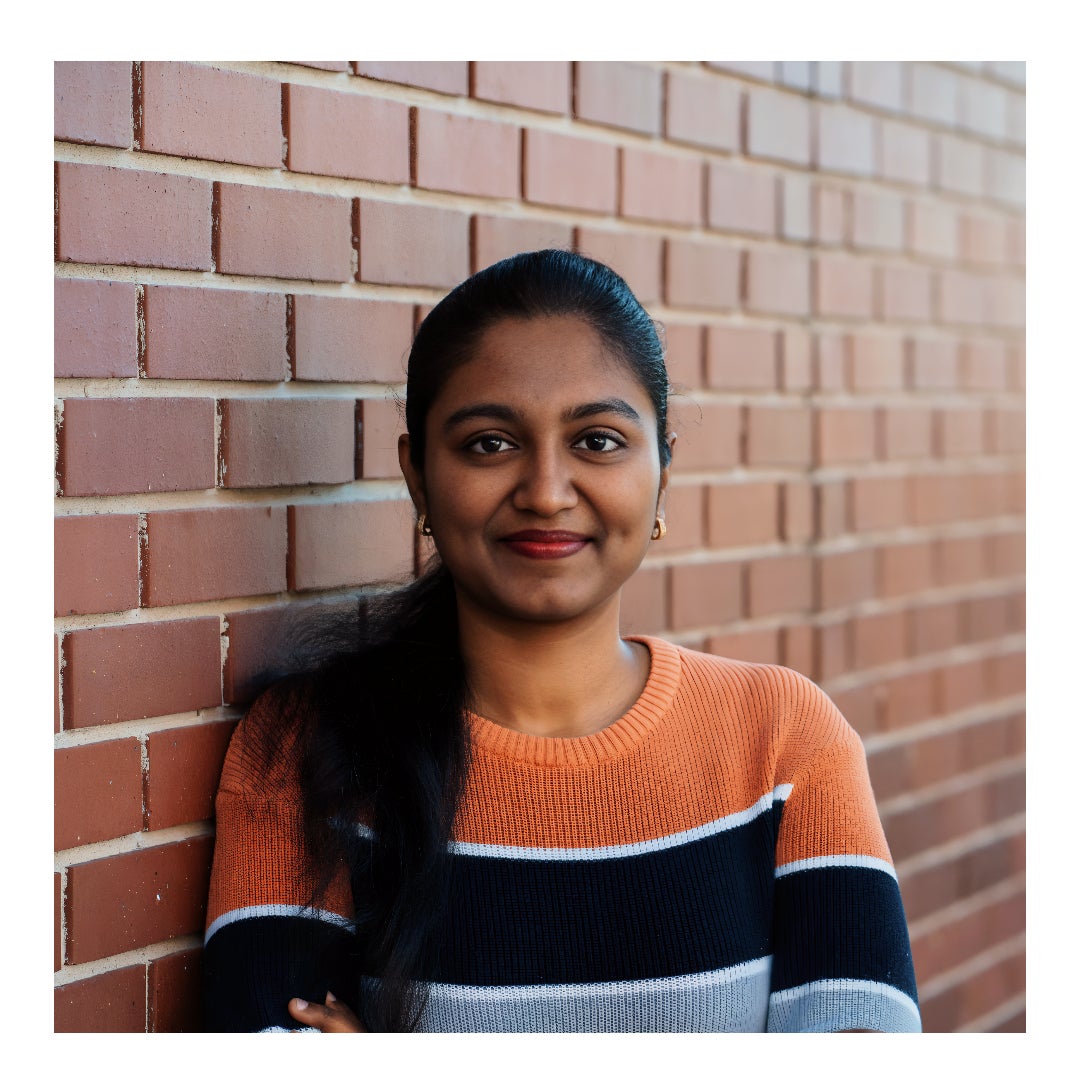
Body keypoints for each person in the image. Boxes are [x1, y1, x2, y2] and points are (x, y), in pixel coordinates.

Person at [202, 249, 921, 1033]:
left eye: (598, 441)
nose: (546, 491)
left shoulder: (783, 740)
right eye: (488, 443)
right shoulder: (310, 750)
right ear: (418, 479)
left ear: (663, 473)